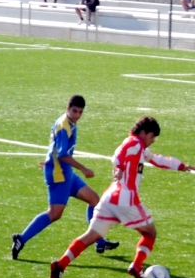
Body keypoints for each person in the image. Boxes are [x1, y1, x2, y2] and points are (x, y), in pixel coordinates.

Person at [50, 116, 195, 278]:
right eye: (152, 136)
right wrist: (119, 168)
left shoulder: (139, 147)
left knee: (91, 236)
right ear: (143, 133)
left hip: (110, 199)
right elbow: (118, 154)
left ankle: (60, 265)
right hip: (126, 200)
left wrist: (182, 166)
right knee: (150, 233)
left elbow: (158, 160)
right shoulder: (134, 143)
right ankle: (136, 266)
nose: (152, 140)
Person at [11, 95, 119, 260]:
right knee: (55, 213)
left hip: (65, 173)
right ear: (67, 108)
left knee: (94, 200)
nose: (77, 115)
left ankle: (99, 242)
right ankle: (21, 239)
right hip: (59, 176)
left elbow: (54, 147)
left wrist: (49, 160)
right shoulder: (64, 126)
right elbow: (62, 155)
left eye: (80, 112)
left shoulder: (67, 122)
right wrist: (83, 168)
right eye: (74, 111)